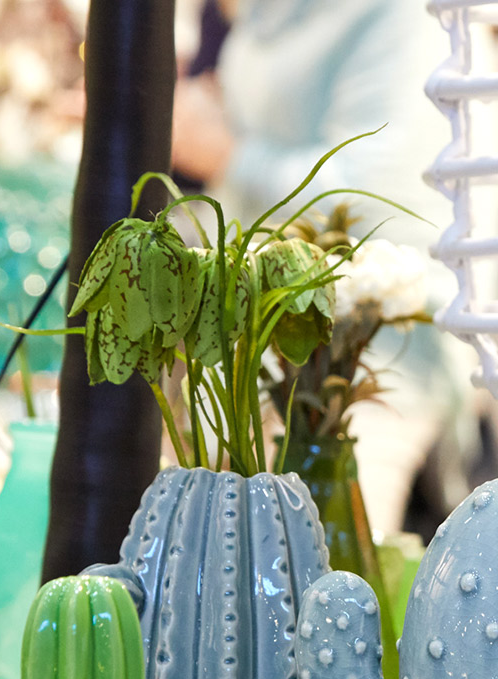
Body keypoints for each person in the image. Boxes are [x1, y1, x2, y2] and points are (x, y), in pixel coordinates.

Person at [171, 0, 478, 536]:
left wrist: (223, 152)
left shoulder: (400, 15)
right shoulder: (259, 16)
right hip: (250, 357)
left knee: (319, 561)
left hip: (371, 362)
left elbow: (380, 199)